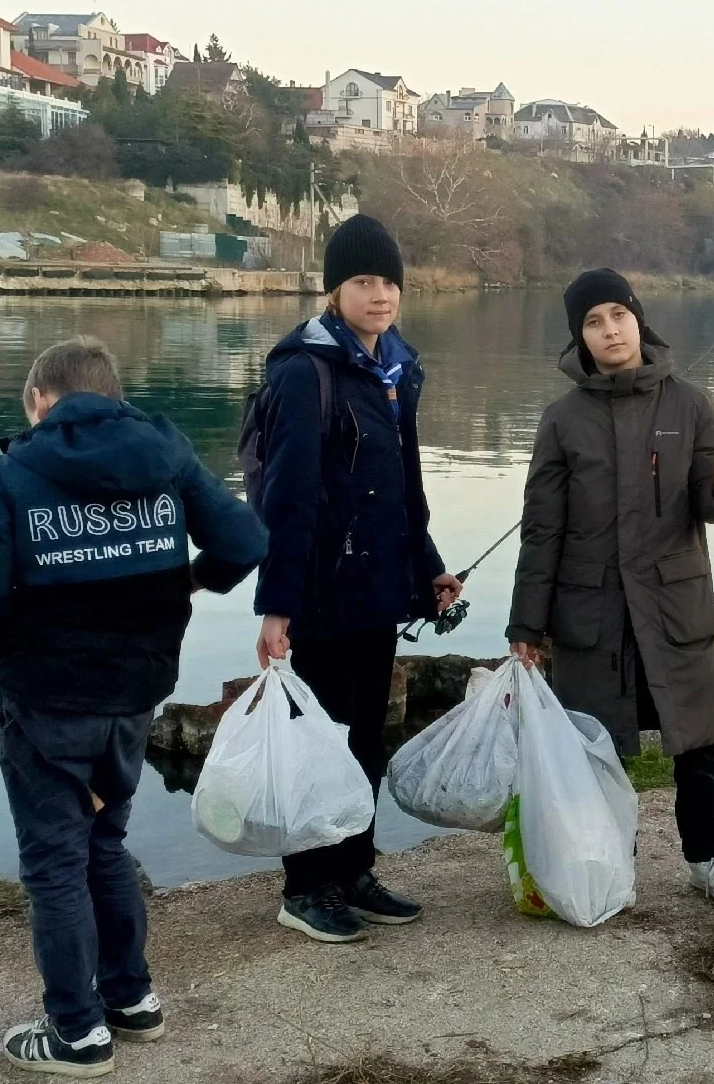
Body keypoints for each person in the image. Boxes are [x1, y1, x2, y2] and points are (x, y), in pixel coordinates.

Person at [0, 338, 267, 1078]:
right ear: (113, 395)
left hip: (47, 699)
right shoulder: (168, 456)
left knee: (55, 861)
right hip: (136, 692)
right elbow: (245, 540)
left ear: (40, 401)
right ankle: (133, 999)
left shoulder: (12, 472)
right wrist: (193, 580)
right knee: (104, 844)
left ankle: (77, 1033)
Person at [506, 269, 714, 909]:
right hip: (591, 610)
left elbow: (710, 505)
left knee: (694, 740)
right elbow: (542, 531)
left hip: (674, 603)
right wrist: (526, 628)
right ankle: (605, 862)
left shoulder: (691, 404)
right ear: (579, 338)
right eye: (593, 321)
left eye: (618, 314)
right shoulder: (562, 420)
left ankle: (708, 857)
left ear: (639, 319)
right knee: (594, 747)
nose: (610, 330)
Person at [248, 214, 461, 944]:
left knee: (366, 734)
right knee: (322, 742)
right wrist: (276, 606)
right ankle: (306, 885)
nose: (380, 295)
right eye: (364, 282)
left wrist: (428, 567)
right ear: (334, 290)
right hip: (320, 592)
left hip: (379, 588)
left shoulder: (396, 368)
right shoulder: (303, 371)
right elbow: (289, 496)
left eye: (389, 282)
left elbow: (404, 489)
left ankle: (355, 869)